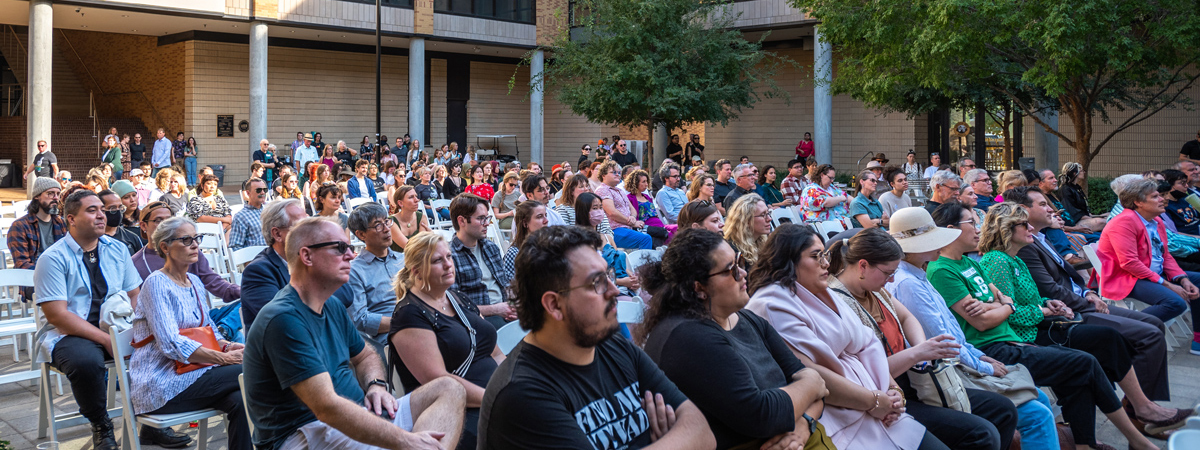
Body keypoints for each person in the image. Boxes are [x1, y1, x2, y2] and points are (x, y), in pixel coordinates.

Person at [925, 201, 1165, 450]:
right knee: (1087, 360)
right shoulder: (961, 267)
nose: (978, 228)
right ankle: (1134, 437)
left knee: (1091, 357)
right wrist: (1009, 306)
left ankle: (1090, 443)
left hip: (1015, 337)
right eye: (971, 222)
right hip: (998, 346)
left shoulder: (973, 263)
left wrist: (1041, 303)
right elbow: (986, 319)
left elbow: (1008, 301)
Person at [478, 225, 714, 449]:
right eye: (597, 282)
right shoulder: (522, 393)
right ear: (554, 304)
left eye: (609, 275)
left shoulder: (613, 344)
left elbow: (701, 431)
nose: (614, 290)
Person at [243, 217, 465, 450]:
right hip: (306, 432)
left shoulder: (332, 305)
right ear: (307, 256)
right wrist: (407, 441)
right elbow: (326, 407)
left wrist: (376, 385)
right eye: (340, 248)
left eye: (349, 248)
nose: (351, 255)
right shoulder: (283, 318)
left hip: (354, 415)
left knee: (450, 388)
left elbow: (365, 356)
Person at [825, 227, 1018, 450]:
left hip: (914, 381)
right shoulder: (840, 303)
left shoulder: (874, 288)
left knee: (1003, 409)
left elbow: (907, 317)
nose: (891, 280)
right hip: (890, 394)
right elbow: (866, 374)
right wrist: (918, 353)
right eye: (888, 273)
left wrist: (920, 347)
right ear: (863, 266)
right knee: (981, 434)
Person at [884, 207, 1059, 450]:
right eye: (933, 240)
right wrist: (983, 364)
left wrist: (980, 357)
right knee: (1034, 413)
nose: (941, 245)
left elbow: (952, 330)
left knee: (1036, 396)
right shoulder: (910, 283)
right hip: (948, 371)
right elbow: (942, 339)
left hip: (963, 359)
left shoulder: (919, 275)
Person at [638, 228, 830, 449]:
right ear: (699, 288)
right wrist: (811, 383)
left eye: (739, 262)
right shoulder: (688, 337)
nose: (743, 272)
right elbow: (760, 416)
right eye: (731, 269)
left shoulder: (749, 320)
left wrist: (804, 425)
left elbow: (819, 393)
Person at [744, 224, 932, 450]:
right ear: (788, 259)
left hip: (882, 405)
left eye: (823, 254)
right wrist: (874, 401)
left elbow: (868, 343)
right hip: (842, 418)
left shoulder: (824, 291)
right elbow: (811, 372)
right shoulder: (771, 304)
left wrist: (894, 392)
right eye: (816, 256)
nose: (825, 263)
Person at [32, 190, 146, 450]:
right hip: (69, 333)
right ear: (71, 218)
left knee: (157, 347)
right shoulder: (52, 258)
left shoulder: (117, 249)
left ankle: (151, 423)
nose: (101, 216)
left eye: (102, 210)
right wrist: (106, 340)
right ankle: (101, 425)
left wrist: (135, 331)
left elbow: (134, 295)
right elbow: (58, 316)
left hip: (115, 325)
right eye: (92, 210)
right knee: (86, 362)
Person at [131, 217, 250, 450]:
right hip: (161, 384)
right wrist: (223, 359)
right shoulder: (156, 283)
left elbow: (209, 329)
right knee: (255, 368)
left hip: (197, 373)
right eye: (186, 240)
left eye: (197, 238)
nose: (195, 245)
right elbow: (170, 343)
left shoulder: (194, 281)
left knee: (241, 400)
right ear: (165, 247)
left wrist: (227, 346)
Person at [390, 231, 503, 450]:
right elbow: (439, 381)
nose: (448, 265)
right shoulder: (409, 314)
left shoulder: (459, 298)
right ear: (417, 271)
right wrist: (497, 398)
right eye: (437, 261)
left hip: (496, 395)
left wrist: (516, 383)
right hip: (459, 410)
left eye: (449, 257)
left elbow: (496, 354)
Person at [1097, 177, 1200, 353]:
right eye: (1155, 196)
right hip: (1126, 277)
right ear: (1138, 202)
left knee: (1197, 280)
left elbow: (1165, 255)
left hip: (1153, 274)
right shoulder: (1124, 222)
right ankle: (1117, 331)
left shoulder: (1157, 220)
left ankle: (1197, 340)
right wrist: (1167, 284)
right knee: (1175, 303)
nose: (1162, 199)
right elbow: (1129, 263)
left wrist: (1182, 278)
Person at [132, 201, 241, 302]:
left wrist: (245, 292)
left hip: (201, 317)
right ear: (143, 225)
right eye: (158, 220)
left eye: (169, 220)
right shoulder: (136, 263)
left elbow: (214, 282)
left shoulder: (190, 251)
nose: (165, 225)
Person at [448, 194, 516, 329]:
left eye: (487, 218)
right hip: (478, 320)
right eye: (480, 219)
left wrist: (516, 304)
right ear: (461, 221)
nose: (487, 223)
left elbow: (504, 284)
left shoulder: (490, 248)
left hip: (504, 311)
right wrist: (495, 309)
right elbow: (453, 306)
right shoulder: (449, 256)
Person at [346, 203, 404, 356]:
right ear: (361, 235)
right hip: (389, 337)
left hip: (422, 323)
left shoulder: (405, 260)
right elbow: (360, 319)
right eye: (378, 225)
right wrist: (404, 323)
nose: (386, 229)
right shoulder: (354, 270)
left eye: (387, 221)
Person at [9, 177, 66, 275]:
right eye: (50, 193)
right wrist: (52, 273)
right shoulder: (20, 226)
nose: (56, 198)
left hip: (62, 276)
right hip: (32, 280)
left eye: (58, 194)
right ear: (37, 196)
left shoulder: (61, 223)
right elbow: (21, 264)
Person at [595, 161, 654, 249]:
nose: (618, 174)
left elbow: (632, 208)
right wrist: (630, 222)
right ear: (603, 175)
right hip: (614, 230)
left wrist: (633, 217)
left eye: (619, 172)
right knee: (645, 239)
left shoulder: (619, 190)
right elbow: (612, 212)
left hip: (627, 227)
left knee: (657, 234)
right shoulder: (603, 190)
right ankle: (644, 262)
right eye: (614, 172)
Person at [502, 200, 550, 280]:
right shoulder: (515, 253)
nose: (546, 221)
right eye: (539, 216)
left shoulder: (550, 247)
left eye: (546, 215)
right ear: (525, 223)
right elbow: (511, 288)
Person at [724, 194, 771, 268]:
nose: (769, 218)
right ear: (746, 220)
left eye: (768, 213)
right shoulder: (733, 251)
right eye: (763, 215)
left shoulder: (762, 241)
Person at [626, 169, 668, 244]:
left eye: (646, 181)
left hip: (659, 226)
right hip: (645, 227)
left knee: (675, 229)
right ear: (635, 183)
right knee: (662, 235)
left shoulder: (647, 197)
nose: (646, 184)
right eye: (643, 182)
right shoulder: (629, 198)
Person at [98, 189, 144, 255]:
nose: (118, 212)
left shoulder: (132, 237)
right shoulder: (93, 239)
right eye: (112, 208)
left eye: (120, 207)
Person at [388, 185, 431, 251]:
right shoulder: (391, 222)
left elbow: (422, 245)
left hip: (417, 258)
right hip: (399, 260)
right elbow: (408, 247)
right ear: (400, 203)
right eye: (411, 197)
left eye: (416, 196)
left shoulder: (421, 217)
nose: (416, 200)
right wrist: (431, 238)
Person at [229, 177, 268, 251]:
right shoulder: (240, 216)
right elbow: (235, 247)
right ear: (248, 193)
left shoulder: (269, 211)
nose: (263, 192)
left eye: (265, 190)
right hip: (254, 259)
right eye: (258, 190)